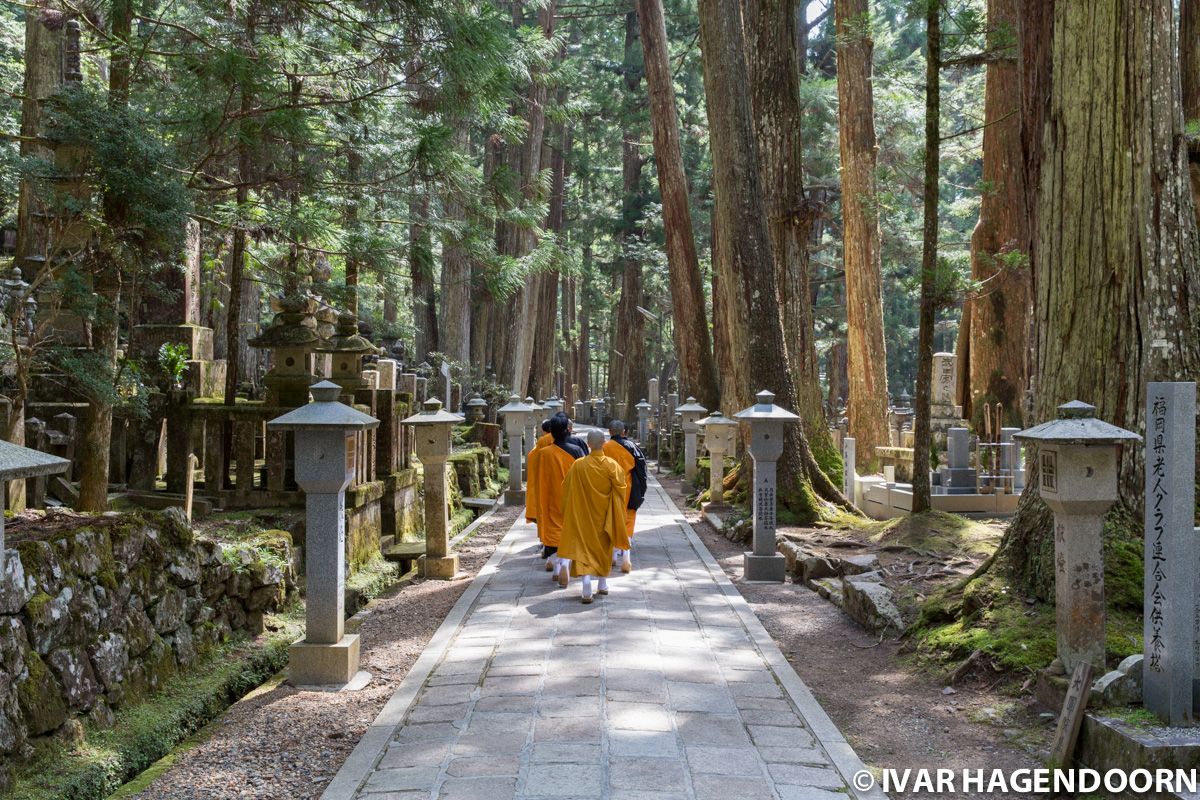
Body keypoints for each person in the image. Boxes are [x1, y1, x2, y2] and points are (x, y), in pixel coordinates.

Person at [558, 429, 630, 604]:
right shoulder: (612, 465)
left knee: (584, 549)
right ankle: (603, 584)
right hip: (605, 517)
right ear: (604, 443)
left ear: (588, 444)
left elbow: (566, 489)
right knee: (604, 549)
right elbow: (622, 489)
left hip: (583, 517)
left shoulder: (578, 465)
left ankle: (586, 584)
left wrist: (571, 508)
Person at [533, 413, 586, 585]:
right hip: (571, 498)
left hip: (550, 499)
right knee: (570, 531)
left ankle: (557, 566)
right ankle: (565, 563)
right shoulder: (577, 451)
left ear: (552, 433)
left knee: (554, 533)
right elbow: (583, 477)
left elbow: (538, 480)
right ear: (567, 431)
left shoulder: (544, 453)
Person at [601, 420, 647, 573]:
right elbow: (642, 473)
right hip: (628, 489)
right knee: (627, 519)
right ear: (624, 432)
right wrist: (641, 492)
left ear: (609, 431)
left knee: (610, 520)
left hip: (608, 490)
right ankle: (626, 557)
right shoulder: (633, 448)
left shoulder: (604, 447)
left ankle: (612, 556)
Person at [525, 419, 555, 570]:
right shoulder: (555, 439)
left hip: (544, 480)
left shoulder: (543, 441)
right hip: (557, 481)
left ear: (543, 430)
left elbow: (535, 457)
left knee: (544, 514)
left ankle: (547, 545)